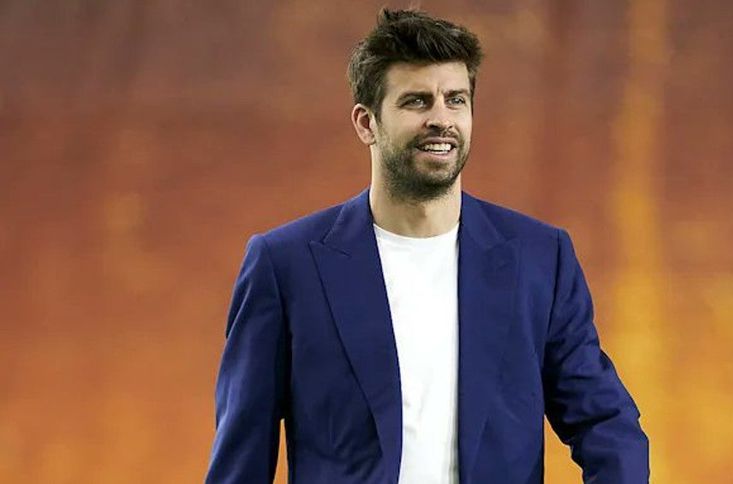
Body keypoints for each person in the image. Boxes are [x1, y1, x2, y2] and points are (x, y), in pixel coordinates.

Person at [205, 8, 648, 484]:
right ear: (366, 123)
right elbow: (241, 456)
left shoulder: (541, 258)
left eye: (456, 100)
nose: (441, 119)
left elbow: (605, 422)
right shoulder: (285, 265)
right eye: (416, 101)